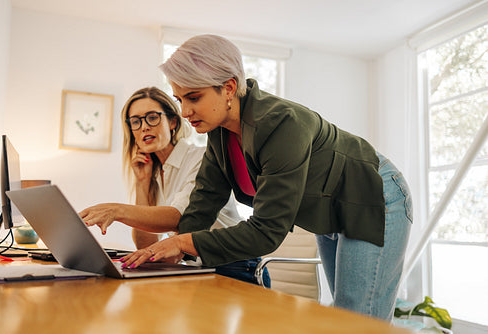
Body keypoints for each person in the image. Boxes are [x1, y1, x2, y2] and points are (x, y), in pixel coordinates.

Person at [120, 35, 412, 321]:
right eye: (179, 99)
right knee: (345, 317)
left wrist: (183, 244)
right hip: (330, 211)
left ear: (229, 88)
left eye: (193, 97)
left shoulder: (281, 123)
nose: (184, 111)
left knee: (357, 320)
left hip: (373, 196)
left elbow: (267, 231)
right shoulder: (219, 133)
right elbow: (203, 204)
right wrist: (170, 251)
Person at [79, 86, 270, 287]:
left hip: (236, 268)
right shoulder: (153, 173)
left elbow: (182, 217)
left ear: (172, 122)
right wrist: (142, 184)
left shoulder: (202, 158)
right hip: (196, 269)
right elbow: (147, 244)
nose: (144, 127)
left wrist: (116, 210)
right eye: (135, 121)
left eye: (152, 117)